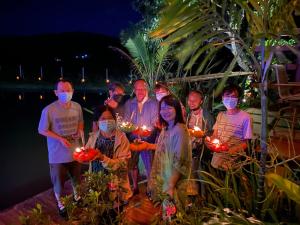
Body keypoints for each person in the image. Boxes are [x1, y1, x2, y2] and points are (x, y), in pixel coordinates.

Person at [38, 79, 84, 218]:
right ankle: (61, 204)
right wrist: (60, 138)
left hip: (76, 152)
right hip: (57, 156)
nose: (65, 93)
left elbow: (81, 122)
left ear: (72, 91)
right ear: (56, 92)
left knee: (77, 178)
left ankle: (77, 198)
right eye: (62, 90)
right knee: (58, 183)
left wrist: (79, 131)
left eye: (68, 90)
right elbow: (42, 130)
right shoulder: (49, 110)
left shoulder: (77, 106)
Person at [148, 95, 196, 204]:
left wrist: (171, 185)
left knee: (174, 213)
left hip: (172, 180)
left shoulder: (180, 130)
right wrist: (147, 145)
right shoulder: (167, 127)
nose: (165, 111)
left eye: (169, 108)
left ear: (177, 109)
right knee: (167, 212)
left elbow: (180, 160)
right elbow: (164, 148)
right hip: (165, 175)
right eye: (163, 108)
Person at [86, 106, 132, 203]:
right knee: (98, 209)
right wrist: (82, 156)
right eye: (103, 118)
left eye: (110, 118)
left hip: (115, 183)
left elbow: (122, 164)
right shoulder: (93, 137)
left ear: (114, 120)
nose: (107, 121)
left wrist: (103, 158)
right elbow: (87, 155)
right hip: (97, 181)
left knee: (114, 212)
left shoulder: (122, 138)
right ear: (97, 122)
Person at [205, 84, 253, 171]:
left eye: (233, 96)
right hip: (215, 161)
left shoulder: (246, 117)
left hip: (232, 163)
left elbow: (247, 142)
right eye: (227, 96)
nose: (230, 99)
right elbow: (215, 135)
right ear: (223, 98)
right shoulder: (220, 115)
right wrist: (209, 141)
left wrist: (232, 149)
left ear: (238, 99)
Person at [124, 79, 159, 195]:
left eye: (143, 89)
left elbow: (155, 121)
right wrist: (132, 131)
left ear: (147, 90)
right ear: (134, 90)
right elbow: (126, 121)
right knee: (132, 165)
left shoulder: (153, 103)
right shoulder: (129, 103)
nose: (140, 91)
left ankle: (151, 188)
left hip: (148, 140)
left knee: (150, 165)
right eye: (138, 89)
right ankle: (135, 186)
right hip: (133, 139)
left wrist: (147, 133)